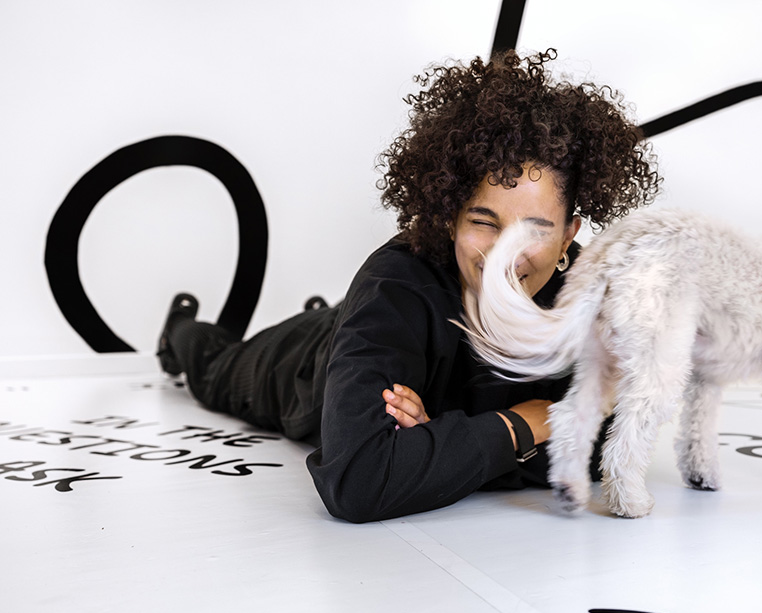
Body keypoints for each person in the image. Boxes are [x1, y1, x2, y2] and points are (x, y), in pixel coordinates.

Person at [157, 48, 661, 523]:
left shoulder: (593, 300)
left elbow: (604, 446)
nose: (504, 255)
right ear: (449, 218)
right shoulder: (396, 281)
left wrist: (439, 436)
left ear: (571, 233)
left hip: (362, 329)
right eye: (484, 221)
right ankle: (179, 332)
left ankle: (331, 317)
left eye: (533, 229)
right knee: (215, 368)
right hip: (302, 365)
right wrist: (527, 422)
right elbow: (359, 481)